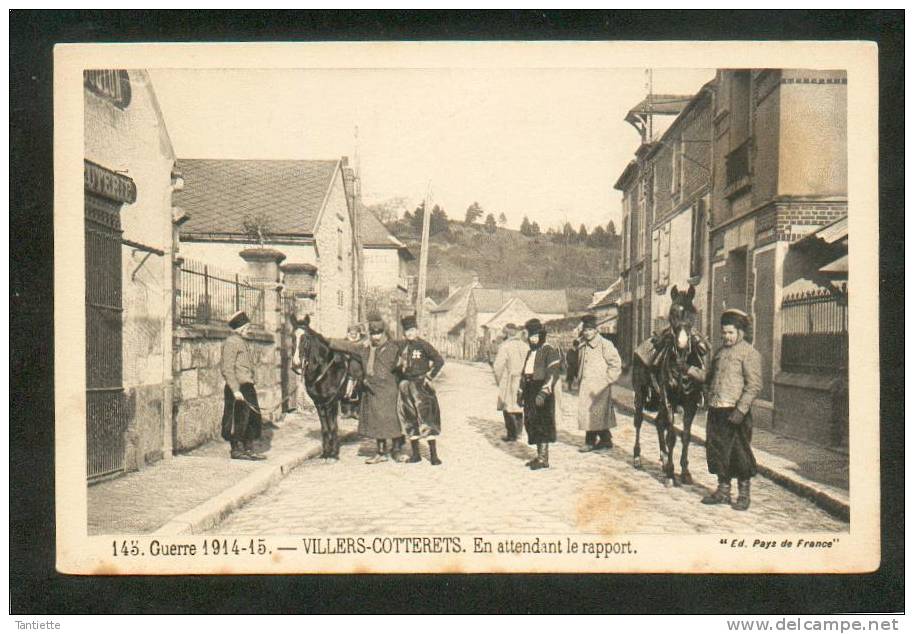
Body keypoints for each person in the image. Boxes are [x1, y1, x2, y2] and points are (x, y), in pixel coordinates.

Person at [688, 308, 762, 511]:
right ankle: (723, 490)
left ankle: (744, 494)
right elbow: (709, 377)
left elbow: (754, 385)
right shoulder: (720, 353)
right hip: (716, 409)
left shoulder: (749, 353)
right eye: (724, 333)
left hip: (735, 413)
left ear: (740, 332)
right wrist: (689, 370)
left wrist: (741, 410)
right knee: (717, 451)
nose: (727, 337)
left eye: (731, 333)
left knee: (739, 453)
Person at [396, 314, 445, 465]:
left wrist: (429, 377)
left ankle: (433, 456)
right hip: (406, 386)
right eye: (406, 331)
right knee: (409, 418)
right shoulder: (401, 346)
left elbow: (439, 360)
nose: (409, 333)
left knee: (426, 418)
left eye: (412, 330)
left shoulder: (424, 345)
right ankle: (416, 455)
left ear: (417, 330)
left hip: (420, 386)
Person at [358, 315, 405, 464]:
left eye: (378, 333)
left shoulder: (391, 347)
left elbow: (393, 364)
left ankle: (397, 450)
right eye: (373, 334)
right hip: (372, 389)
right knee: (377, 420)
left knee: (392, 420)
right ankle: (381, 452)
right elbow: (349, 347)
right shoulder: (367, 348)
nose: (376, 337)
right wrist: (327, 341)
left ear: (384, 333)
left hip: (389, 390)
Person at [220, 310, 266, 461]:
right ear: (239, 329)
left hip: (247, 386)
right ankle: (237, 450)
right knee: (238, 419)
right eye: (246, 328)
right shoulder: (231, 342)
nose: (248, 330)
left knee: (252, 417)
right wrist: (235, 390)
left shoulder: (242, 342)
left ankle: (248, 448)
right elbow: (227, 368)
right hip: (238, 388)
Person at [575, 314, 623, 452]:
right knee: (590, 414)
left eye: (590, 330)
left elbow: (616, 364)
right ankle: (604, 440)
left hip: (600, 387)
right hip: (586, 386)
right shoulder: (582, 344)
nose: (587, 333)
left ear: (596, 330)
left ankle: (592, 442)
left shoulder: (605, 344)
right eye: (585, 330)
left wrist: (607, 380)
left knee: (596, 414)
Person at [519, 318, 562, 470]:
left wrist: (543, 393)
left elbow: (553, 373)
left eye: (536, 336)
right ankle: (539, 456)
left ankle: (544, 458)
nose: (533, 339)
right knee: (532, 422)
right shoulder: (531, 352)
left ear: (542, 336)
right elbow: (525, 373)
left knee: (543, 423)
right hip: (530, 389)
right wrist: (521, 392)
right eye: (531, 336)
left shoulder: (549, 350)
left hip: (542, 390)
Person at [492, 323, 527, 441]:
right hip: (523, 380)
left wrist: (499, 380)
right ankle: (519, 432)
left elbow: (498, 367)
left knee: (507, 406)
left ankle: (512, 434)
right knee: (519, 406)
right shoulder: (525, 346)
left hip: (509, 380)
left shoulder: (505, 347)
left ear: (506, 334)